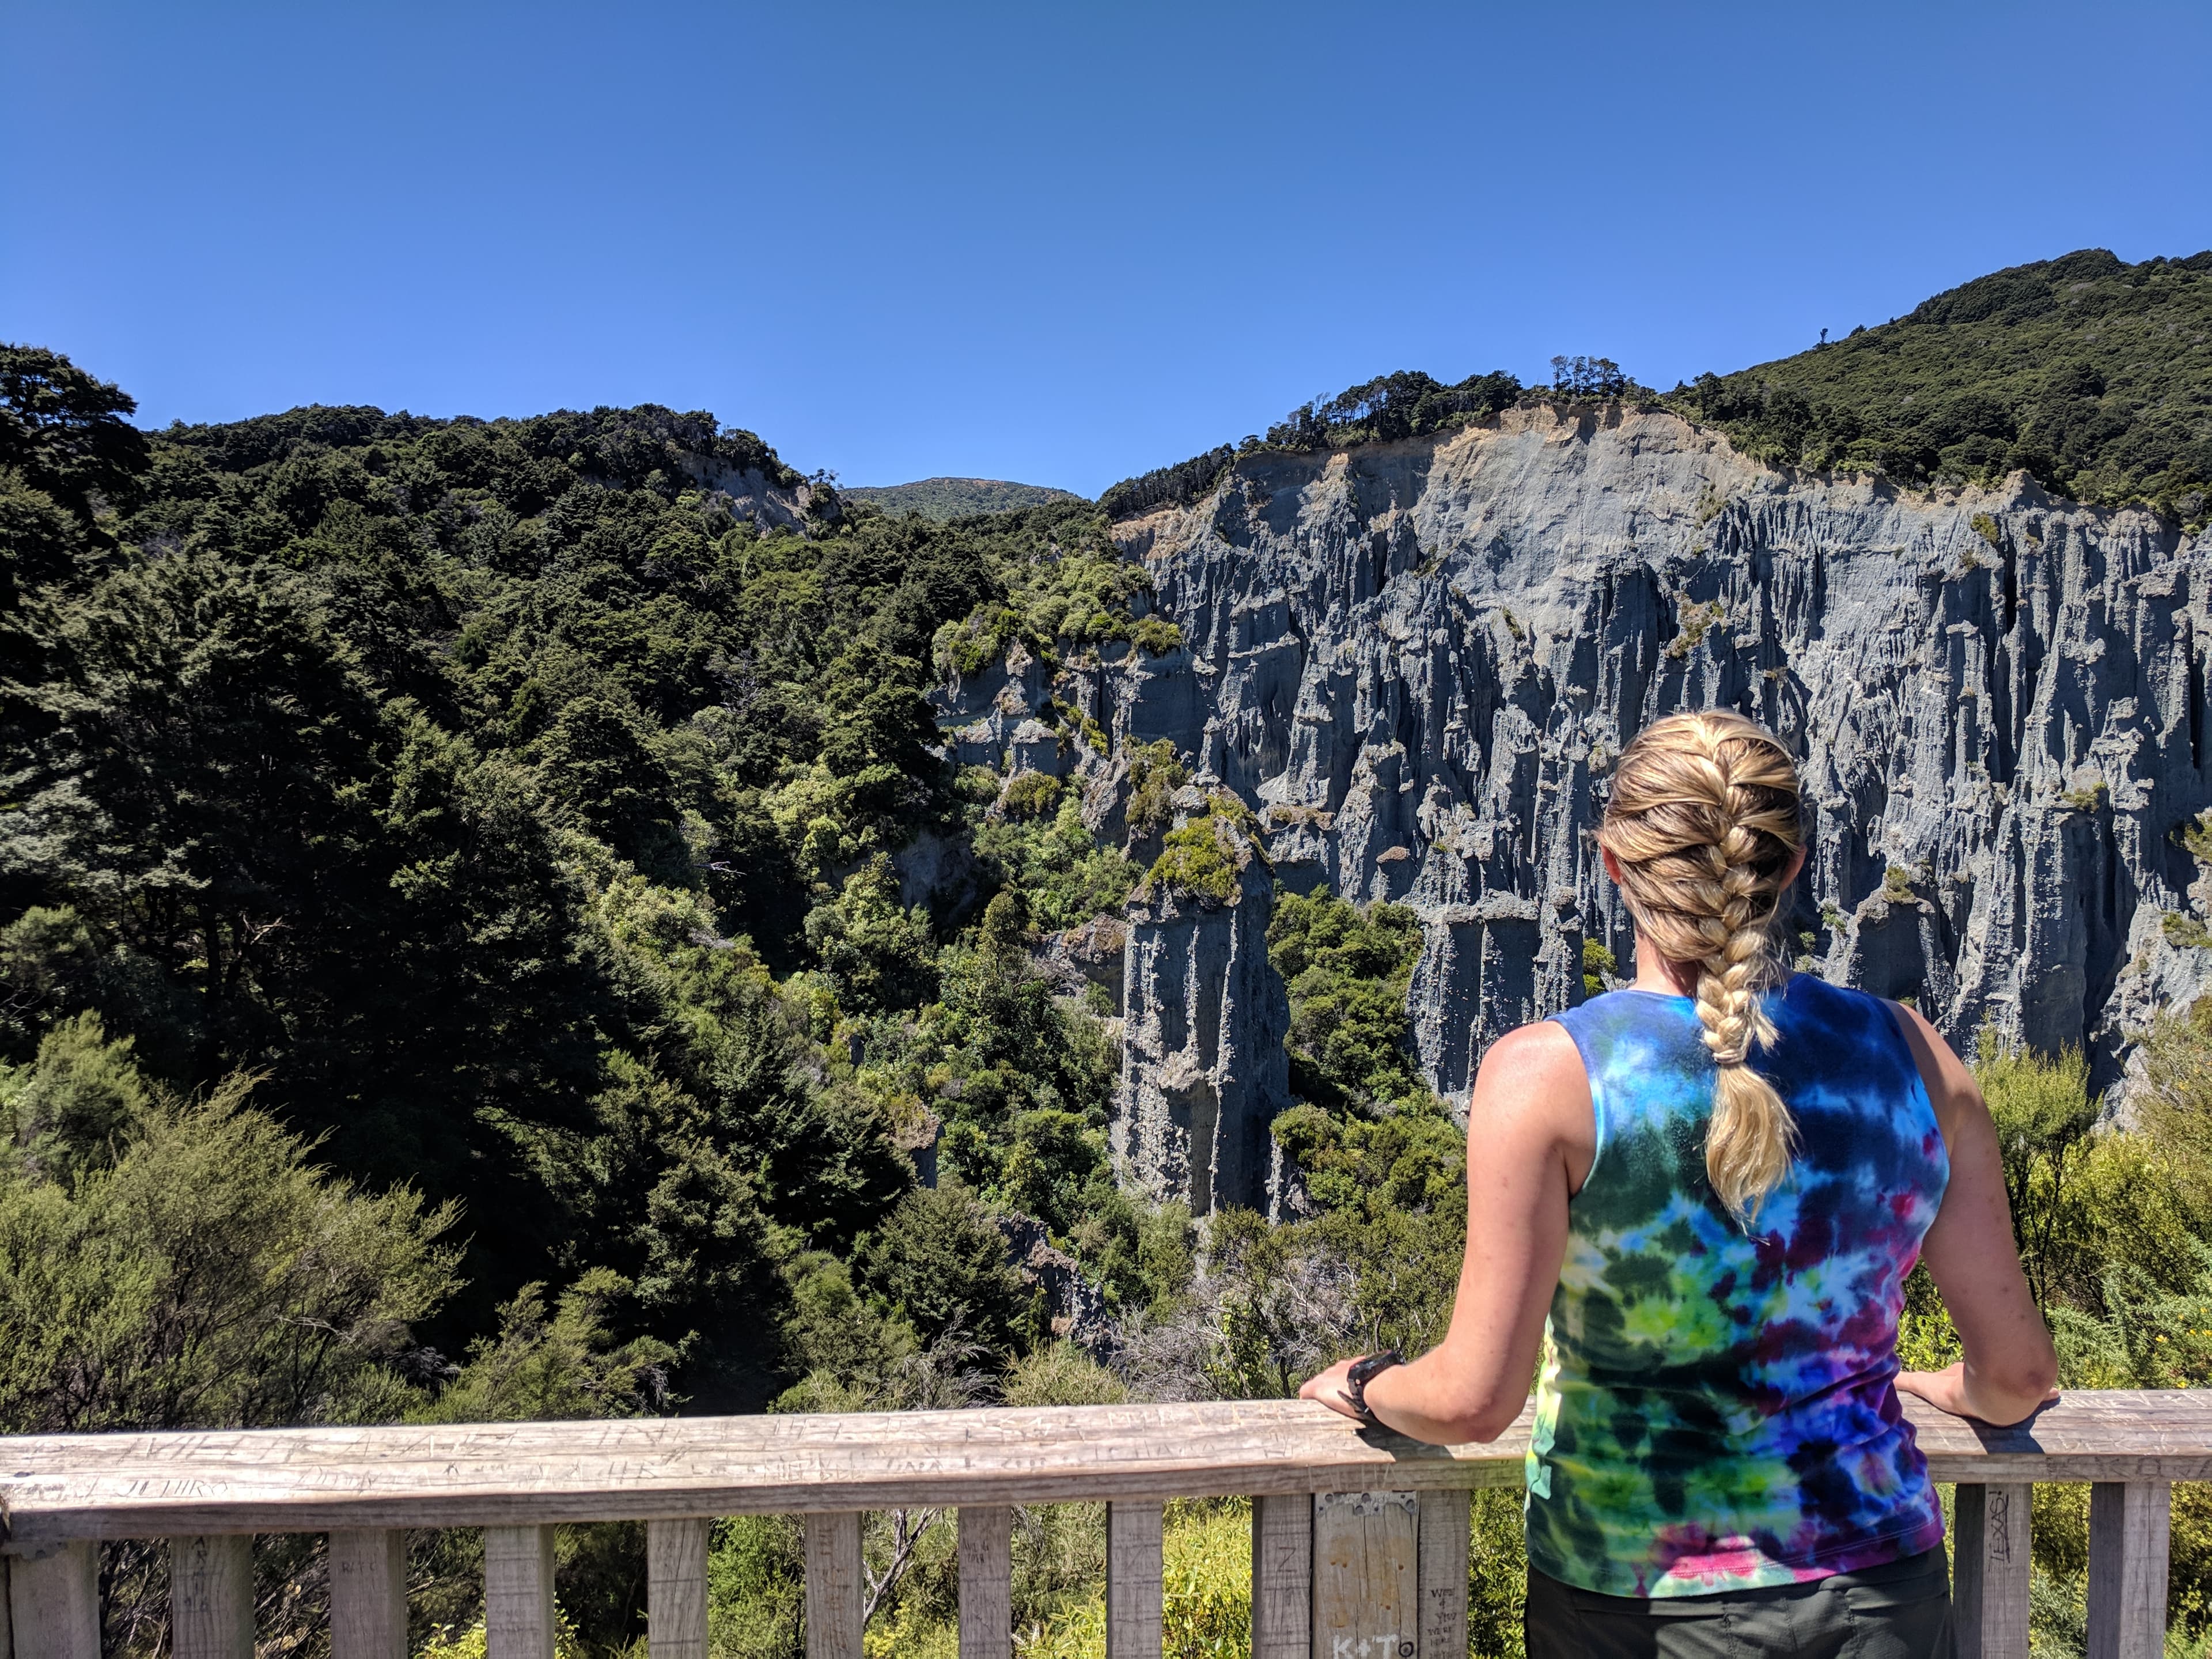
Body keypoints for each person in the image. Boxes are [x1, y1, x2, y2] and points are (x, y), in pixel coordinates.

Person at [1300, 710, 2058, 1659]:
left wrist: (1368, 1385)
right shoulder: (1912, 1056)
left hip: (1634, 1608)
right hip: (1881, 1595)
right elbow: (2022, 1375)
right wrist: (1953, 1387)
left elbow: (1470, 1401)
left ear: (1614, 867)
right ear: (1790, 867)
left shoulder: (1547, 1076)